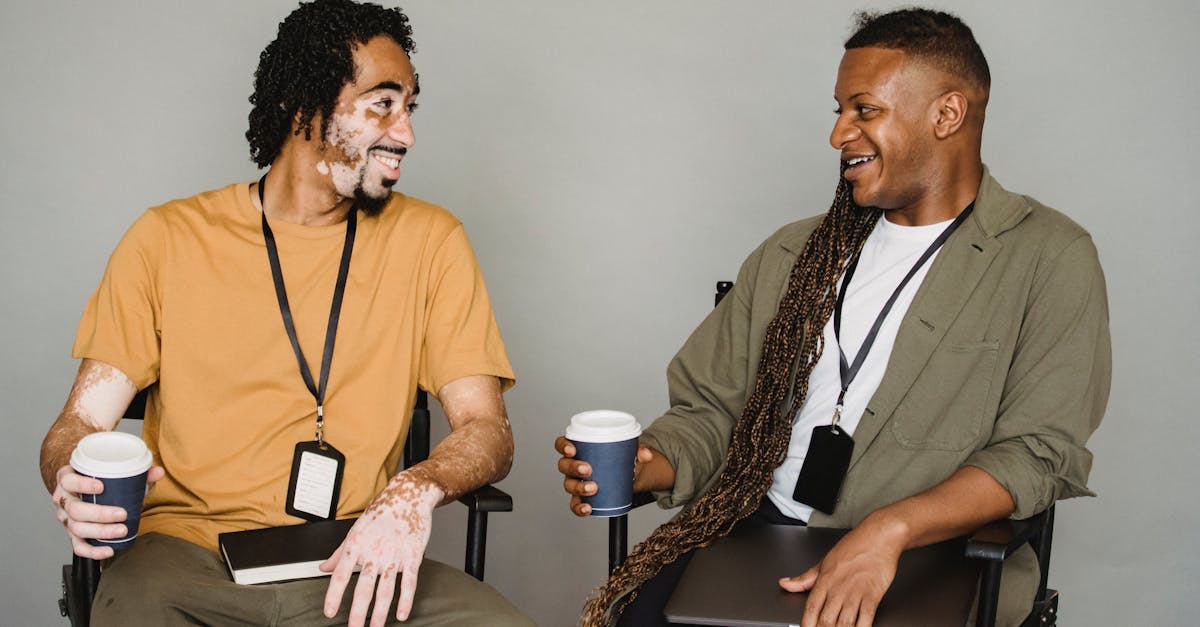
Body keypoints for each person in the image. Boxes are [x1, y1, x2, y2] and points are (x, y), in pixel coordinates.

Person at [556, 8, 1110, 627]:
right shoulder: (797, 253)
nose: (838, 134)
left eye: (864, 110)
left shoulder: (1046, 257)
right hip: (753, 526)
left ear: (947, 115)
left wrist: (889, 529)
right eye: (839, 110)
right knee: (636, 616)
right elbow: (712, 409)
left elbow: (1035, 454)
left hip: (934, 553)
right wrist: (652, 464)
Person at [39, 1, 532, 625]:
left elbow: (487, 428)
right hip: (184, 559)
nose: (406, 133)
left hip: (354, 557)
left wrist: (414, 490)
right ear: (307, 108)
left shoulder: (432, 242)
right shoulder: (167, 239)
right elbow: (78, 423)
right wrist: (71, 475)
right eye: (383, 103)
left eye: (409, 108)